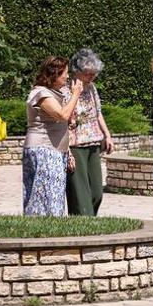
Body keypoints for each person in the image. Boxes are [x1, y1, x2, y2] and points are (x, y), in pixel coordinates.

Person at [21, 57, 82, 217]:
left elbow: (60, 123)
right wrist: (76, 94)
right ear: (55, 74)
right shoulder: (41, 93)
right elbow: (62, 115)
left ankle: (46, 229)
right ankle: (42, 232)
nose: (68, 77)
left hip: (54, 151)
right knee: (45, 198)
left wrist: (67, 151)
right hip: (43, 150)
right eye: (65, 73)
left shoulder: (53, 93)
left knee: (51, 196)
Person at [65, 48, 115, 217]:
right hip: (75, 143)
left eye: (94, 73)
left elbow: (98, 113)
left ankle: (89, 219)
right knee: (80, 193)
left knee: (96, 192)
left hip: (94, 141)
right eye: (88, 74)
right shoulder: (66, 89)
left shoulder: (92, 88)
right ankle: (82, 222)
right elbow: (64, 116)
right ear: (77, 71)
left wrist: (107, 135)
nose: (92, 77)